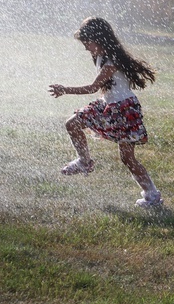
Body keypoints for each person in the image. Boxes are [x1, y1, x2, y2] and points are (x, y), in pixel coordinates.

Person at [48, 17, 162, 208]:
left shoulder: (112, 60)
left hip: (124, 109)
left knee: (127, 158)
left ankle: (152, 195)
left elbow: (93, 87)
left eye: (87, 42)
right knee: (72, 123)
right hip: (107, 105)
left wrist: (65, 89)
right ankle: (84, 161)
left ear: (99, 38)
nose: (86, 47)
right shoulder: (100, 56)